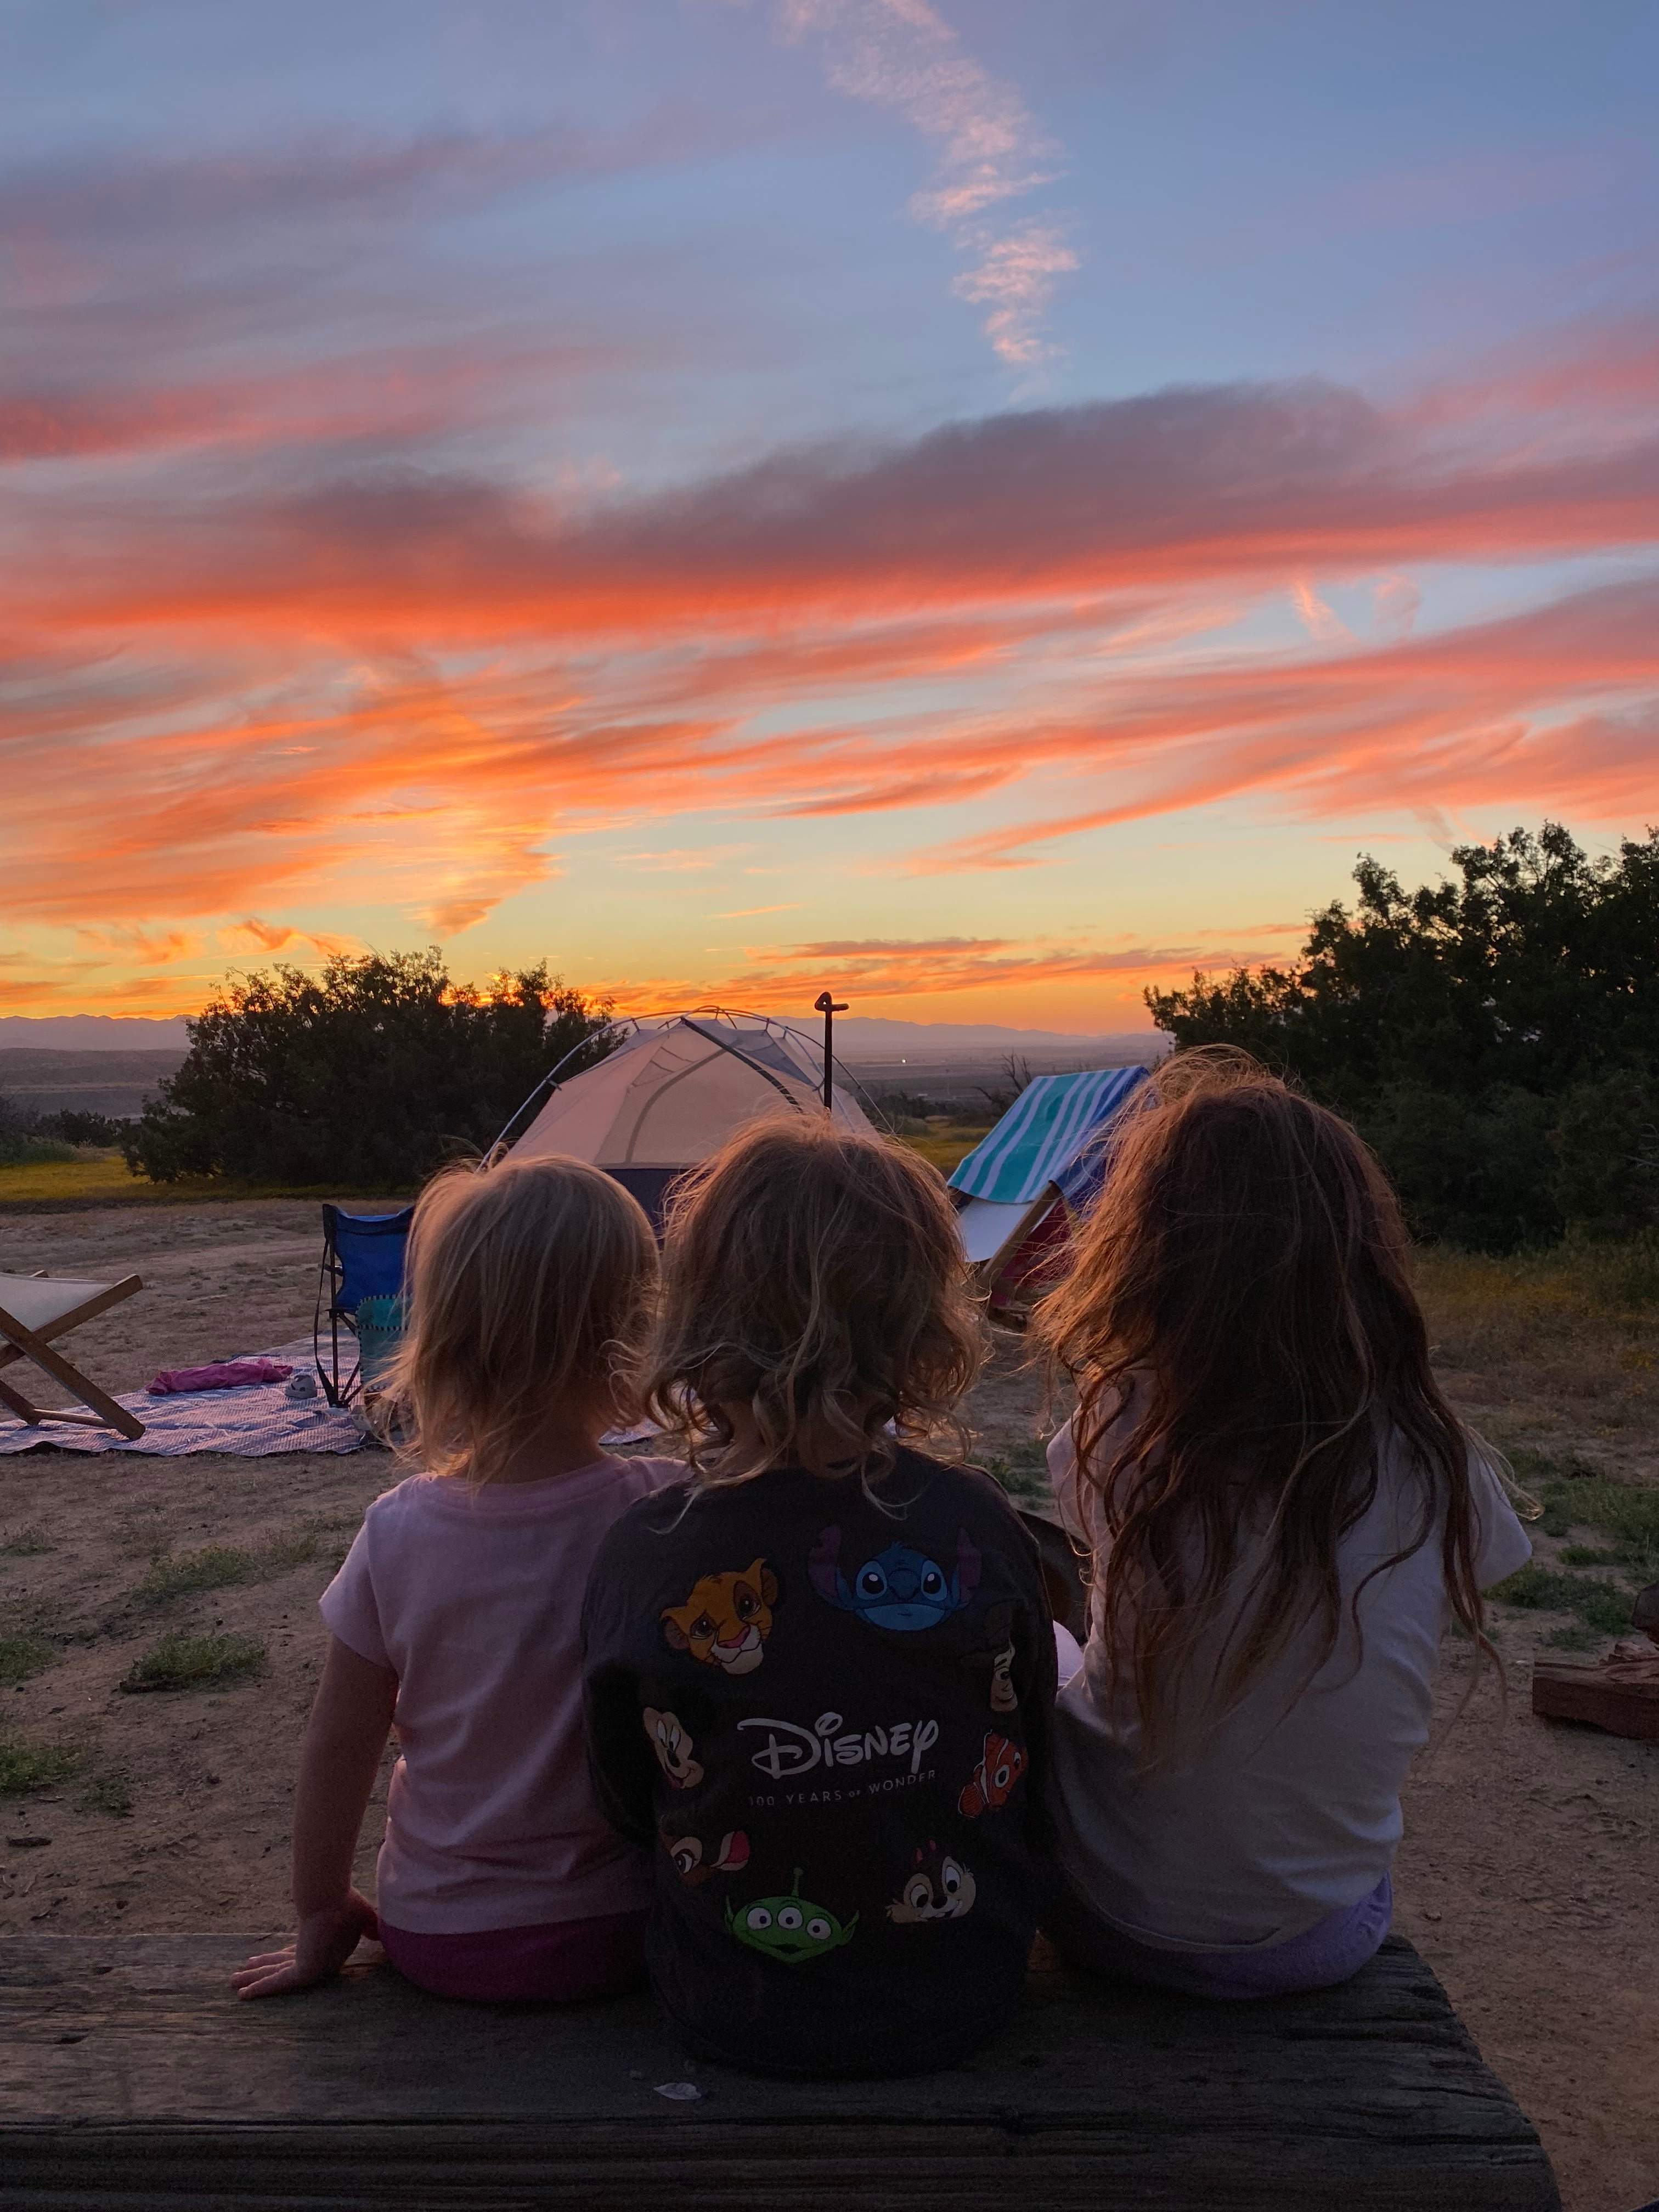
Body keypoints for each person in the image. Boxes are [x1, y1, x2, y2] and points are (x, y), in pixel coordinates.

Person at [1034, 1051, 1532, 2001]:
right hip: (1313, 1939)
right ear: (1362, 1255)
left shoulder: (1117, 1423)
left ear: (1148, 1251)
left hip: (1100, 1917)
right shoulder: (1431, 1455)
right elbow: (1487, 1571)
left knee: (1057, 1648)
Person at [582, 1119, 1057, 2078]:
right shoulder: (977, 1523)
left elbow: (627, 1795)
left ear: (697, 1313)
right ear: (925, 1324)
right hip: (967, 1990)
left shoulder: (648, 1553)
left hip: (731, 2006)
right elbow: (1031, 1746)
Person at [232, 1155, 680, 2005]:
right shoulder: (663, 1511)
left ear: (438, 1340)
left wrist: (321, 1908)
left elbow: (340, 1748)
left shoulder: (399, 1532)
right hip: (629, 1927)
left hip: (442, 1937)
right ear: (631, 1337)